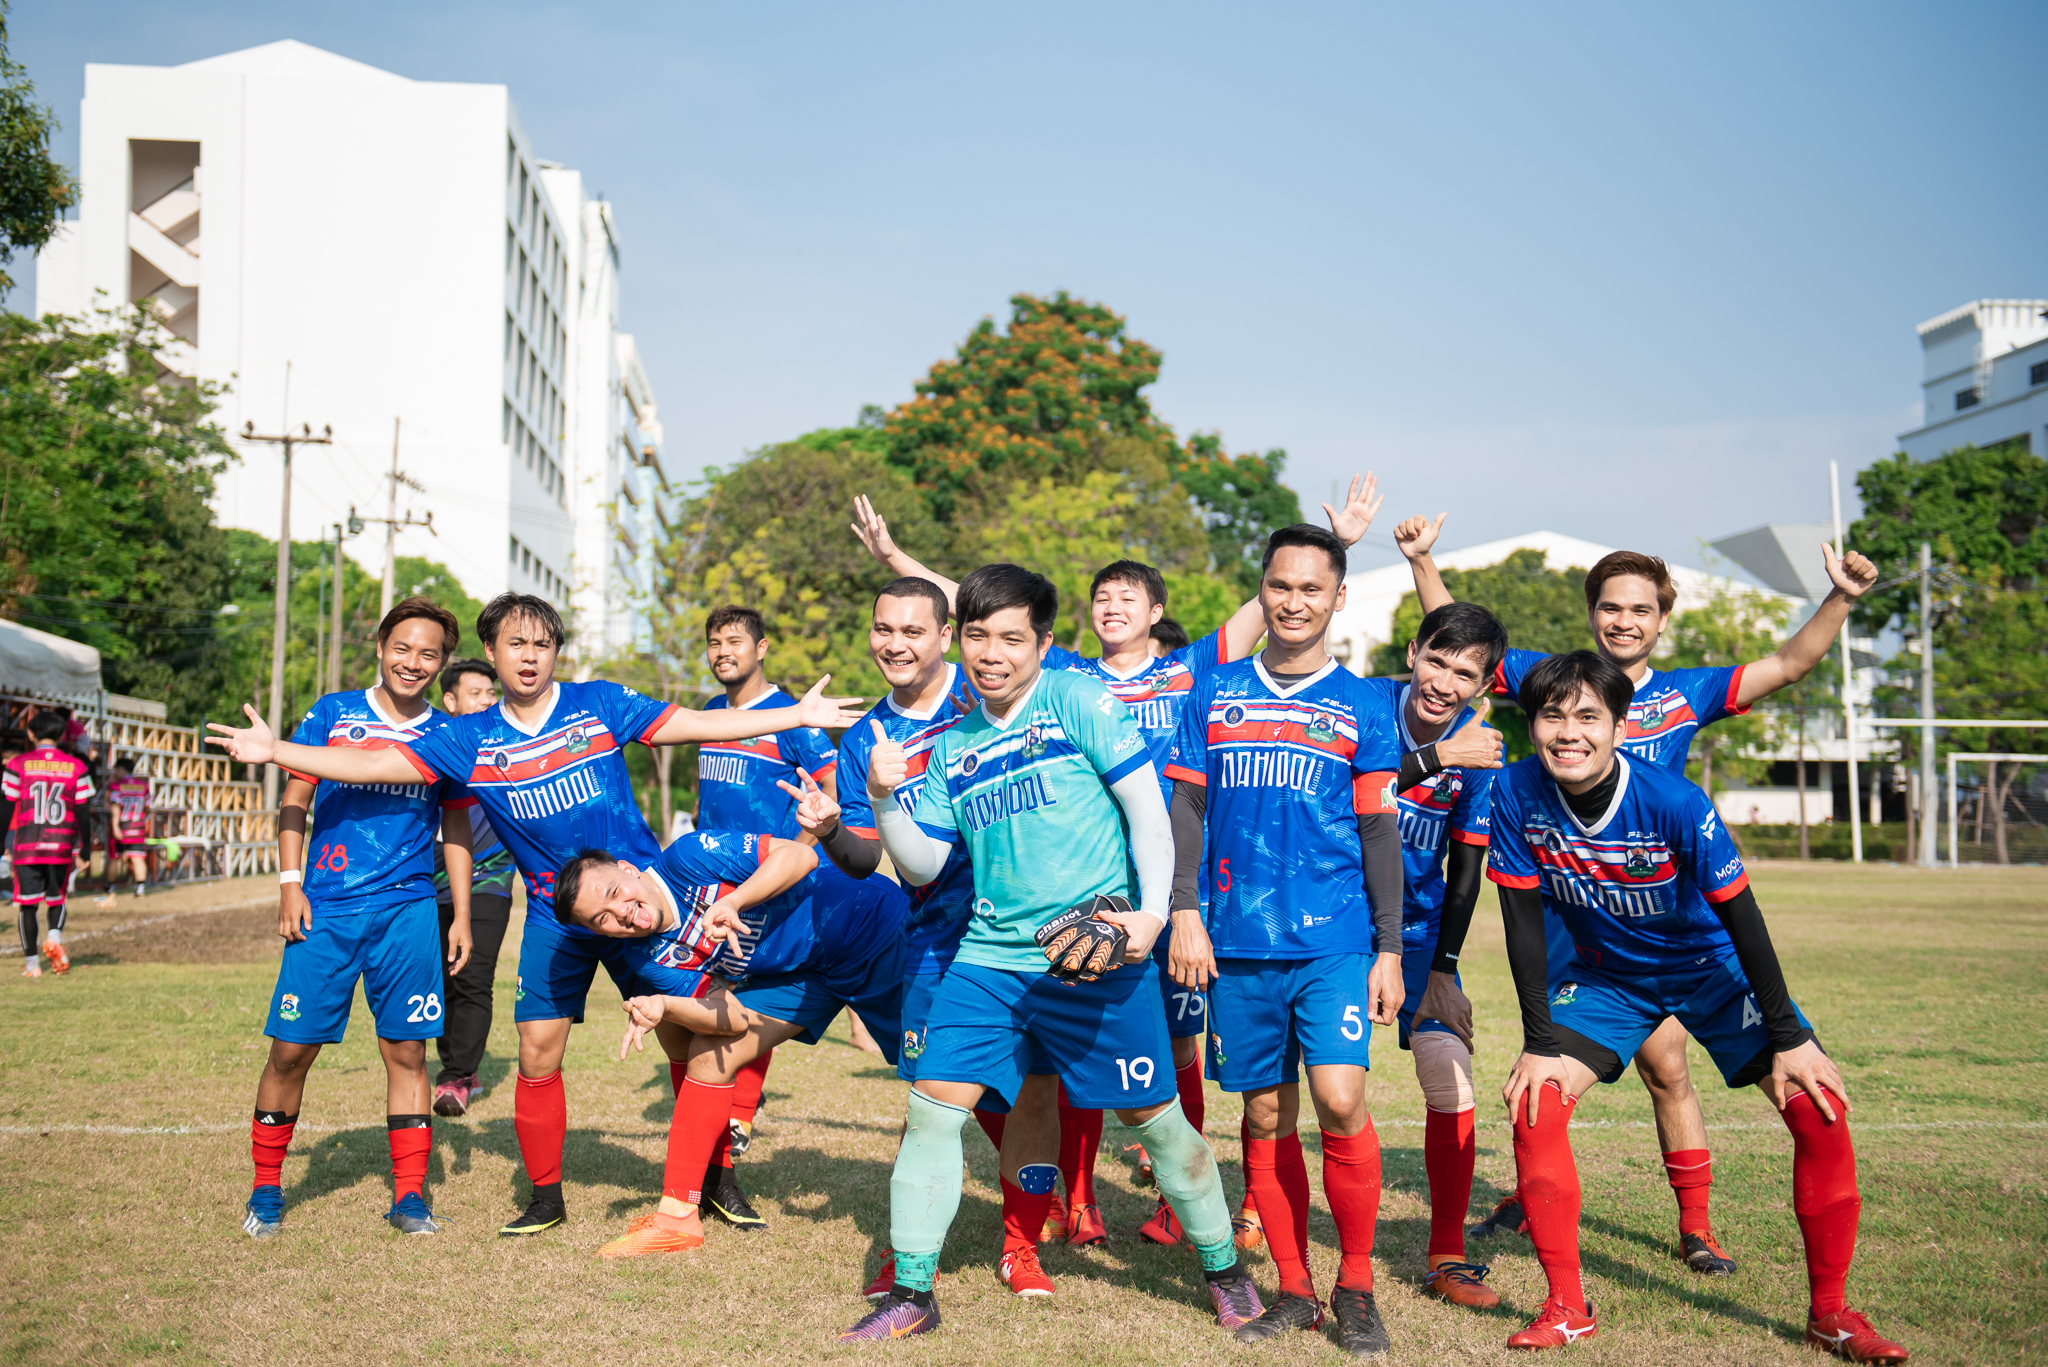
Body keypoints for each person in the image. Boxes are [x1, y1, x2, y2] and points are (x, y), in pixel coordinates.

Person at [204, 592, 866, 1240]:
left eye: (542, 643)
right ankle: (544, 1197)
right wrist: (279, 750)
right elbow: (371, 761)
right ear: (491, 652)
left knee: (687, 1041)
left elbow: (693, 721)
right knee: (537, 1050)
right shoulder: (466, 739)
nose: (529, 655)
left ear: (556, 652)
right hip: (557, 919)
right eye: (515, 643)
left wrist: (787, 715)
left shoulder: (599, 703)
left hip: (640, 904)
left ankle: (716, 1178)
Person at [849, 476, 1386, 1248]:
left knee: (1172, 1054)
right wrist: (898, 556)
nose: (1113, 607)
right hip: (1070, 907)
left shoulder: (1189, 669)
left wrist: (1345, 547)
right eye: (1102, 596)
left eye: (1129, 597)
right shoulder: (1067, 675)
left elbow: (1274, 605)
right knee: (1065, 1068)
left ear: (1156, 612)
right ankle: (1080, 1201)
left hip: (1162, 886)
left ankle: (1185, 1210)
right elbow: (988, 617)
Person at [1398, 514, 1878, 1274]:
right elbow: (1459, 644)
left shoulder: (1689, 695)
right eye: (1610, 607)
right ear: (1592, 614)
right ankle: (1535, 1195)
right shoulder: (1550, 677)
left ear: (1662, 617)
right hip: (1572, 917)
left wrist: (1839, 600)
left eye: (1640, 608)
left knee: (1669, 1067)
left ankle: (1695, 1224)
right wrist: (1424, 560)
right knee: (1549, 1078)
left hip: (1667, 913)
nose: (1624, 620)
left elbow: (1789, 661)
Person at [838, 563, 1264, 1343]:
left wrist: (1149, 915)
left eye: (1010, 637)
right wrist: (882, 798)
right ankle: (912, 1291)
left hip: (1095, 956)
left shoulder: (1077, 699)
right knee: (932, 1114)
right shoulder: (956, 747)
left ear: (1041, 642)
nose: (990, 653)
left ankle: (1226, 1273)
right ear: (958, 640)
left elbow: (1148, 808)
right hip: (989, 959)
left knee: (1158, 1125)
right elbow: (923, 866)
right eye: (977, 636)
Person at [1488, 651, 1907, 1362]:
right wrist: (1538, 1040)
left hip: (1708, 970)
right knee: (1536, 1103)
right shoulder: (1513, 791)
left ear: (1620, 726)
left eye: (1588, 716)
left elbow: (1745, 921)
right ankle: (1567, 1307)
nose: (1568, 731)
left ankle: (1831, 1313)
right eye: (1551, 715)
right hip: (1608, 977)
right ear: (1531, 724)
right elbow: (1522, 924)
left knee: (1816, 1108)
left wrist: (1790, 1036)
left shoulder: (1677, 802)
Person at [781, 576, 1062, 1298]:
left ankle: (1023, 1242)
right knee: (931, 1102)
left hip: (1030, 933)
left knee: (1029, 1091)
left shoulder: (997, 692)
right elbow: (866, 859)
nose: (895, 643)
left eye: (913, 630)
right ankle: (910, 1249)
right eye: (884, 629)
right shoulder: (868, 737)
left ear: (946, 635)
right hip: (935, 940)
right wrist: (831, 827)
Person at [1162, 524, 1406, 1354]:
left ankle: (1359, 1284)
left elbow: (1379, 832)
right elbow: (1186, 808)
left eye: (1311, 588)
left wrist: (1390, 948)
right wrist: (1184, 909)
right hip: (1232, 939)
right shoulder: (1213, 689)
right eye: (1279, 585)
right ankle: (1297, 1287)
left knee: (1340, 1098)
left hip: (1333, 938)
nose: (1293, 601)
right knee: (1265, 1111)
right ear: (1261, 590)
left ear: (1339, 597)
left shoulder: (1369, 702)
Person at [550, 838, 909, 1256]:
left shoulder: (686, 859)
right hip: (808, 974)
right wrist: (665, 1005)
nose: (621, 913)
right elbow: (733, 1018)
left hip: (872, 929)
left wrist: (735, 901)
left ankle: (1008, 1226)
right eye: (602, 919)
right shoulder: (645, 957)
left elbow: (801, 856)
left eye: (614, 893)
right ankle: (677, 1219)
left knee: (943, 1078)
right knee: (710, 1053)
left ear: (628, 870)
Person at [244, 598, 478, 1239]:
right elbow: (295, 802)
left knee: (406, 1050)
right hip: (328, 908)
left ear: (441, 664)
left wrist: (457, 914)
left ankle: (409, 1198)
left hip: (406, 911)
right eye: (403, 648)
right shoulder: (333, 712)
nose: (414, 663)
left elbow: (454, 824)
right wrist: (291, 884)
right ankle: (267, 1189)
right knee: (291, 1051)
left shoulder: (447, 736)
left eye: (429, 654)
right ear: (380, 647)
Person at [1349, 602, 1511, 1310]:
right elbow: (1337, 794)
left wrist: (1443, 969)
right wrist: (1438, 755)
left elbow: (1466, 870)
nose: (1445, 681)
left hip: (1414, 935)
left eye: (1464, 672)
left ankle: (1447, 1251)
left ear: (1483, 683)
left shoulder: (1481, 751)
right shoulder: (1358, 705)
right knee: (1316, 1083)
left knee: (1453, 1079)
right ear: (1413, 650)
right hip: (1332, 924)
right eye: (1437, 660)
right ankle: (1261, 1215)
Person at [695, 603, 842, 1168]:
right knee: (716, 991)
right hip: (715, 880)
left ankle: (739, 1116)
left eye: (735, 641)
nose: (723, 651)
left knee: (748, 993)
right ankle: (724, 1103)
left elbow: (827, 793)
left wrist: (804, 856)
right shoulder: (712, 713)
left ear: (761, 649)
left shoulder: (793, 715)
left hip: (771, 881)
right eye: (714, 642)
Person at [428, 658, 516, 1118]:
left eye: (491, 693)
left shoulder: (507, 744)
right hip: (429, 881)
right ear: (450, 700)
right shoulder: (432, 746)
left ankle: (456, 1076)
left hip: (490, 879)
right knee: (442, 979)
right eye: (477, 693)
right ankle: (455, 1063)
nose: (487, 701)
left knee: (474, 975)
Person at [4, 709, 94, 977]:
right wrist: (85, 847)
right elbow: (83, 811)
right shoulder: (76, 766)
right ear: (61, 734)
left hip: (27, 846)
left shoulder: (17, 764)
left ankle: (32, 965)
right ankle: (54, 937)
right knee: (57, 899)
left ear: (31, 734)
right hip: (61, 845)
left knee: (28, 904)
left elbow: (5, 806)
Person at [105, 758, 153, 896]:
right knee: (138, 857)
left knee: (114, 858)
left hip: (121, 827)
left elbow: (115, 807)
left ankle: (110, 888)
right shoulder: (143, 786)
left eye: (115, 769)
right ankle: (140, 888)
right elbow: (148, 807)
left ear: (121, 769)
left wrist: (115, 827)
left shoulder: (116, 786)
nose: (114, 772)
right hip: (137, 827)